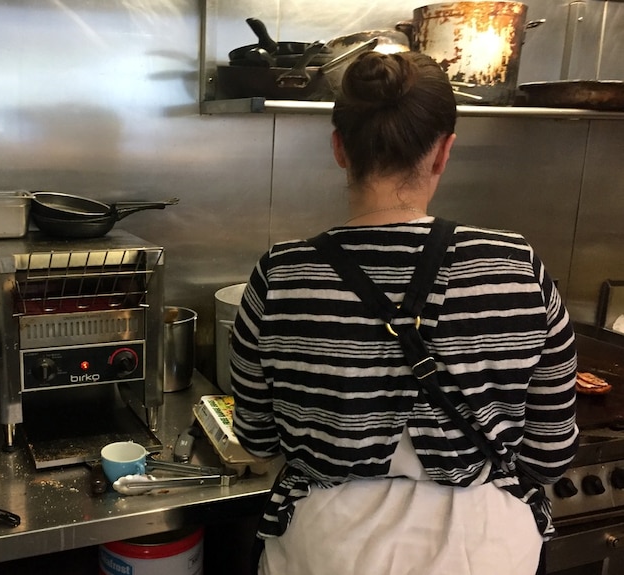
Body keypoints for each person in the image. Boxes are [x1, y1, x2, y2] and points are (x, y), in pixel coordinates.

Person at [229, 50, 579, 575]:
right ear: (443, 153)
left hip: (327, 550)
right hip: (488, 551)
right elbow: (550, 454)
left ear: (339, 149)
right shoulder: (516, 264)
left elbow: (256, 440)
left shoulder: (281, 273)